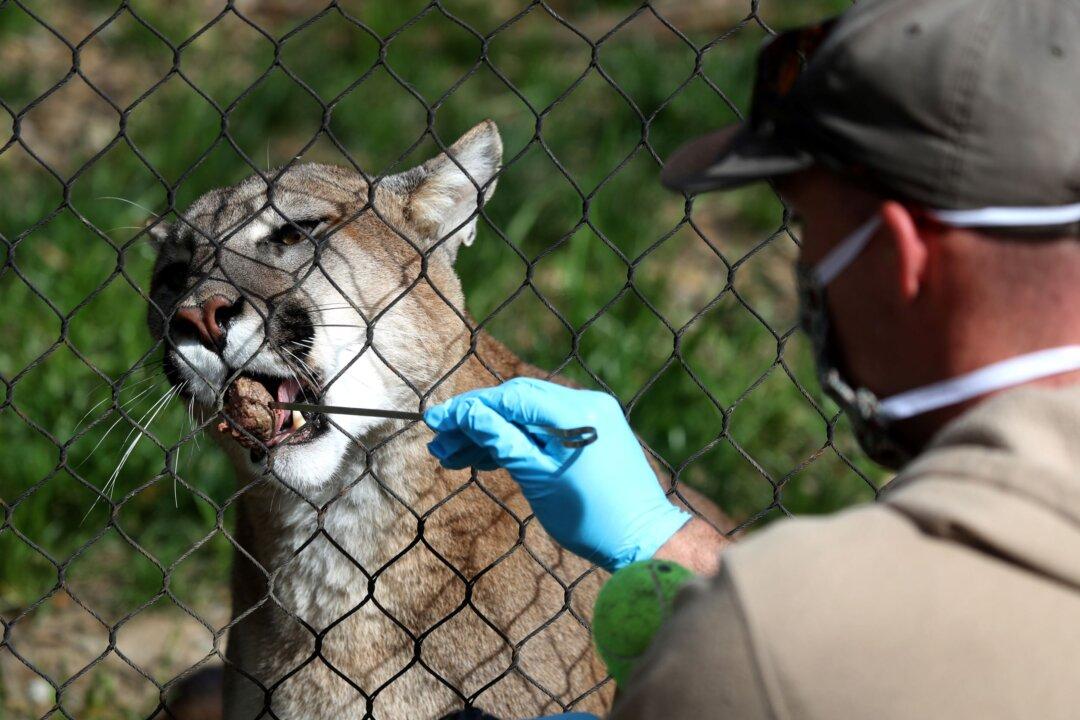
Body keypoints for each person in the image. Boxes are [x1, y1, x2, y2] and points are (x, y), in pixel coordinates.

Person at [425, 0, 1080, 716]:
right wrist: (672, 542)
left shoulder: (764, 648)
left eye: (804, 222)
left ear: (902, 257)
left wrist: (738, 618)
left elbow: (815, 656)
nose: (805, 260)